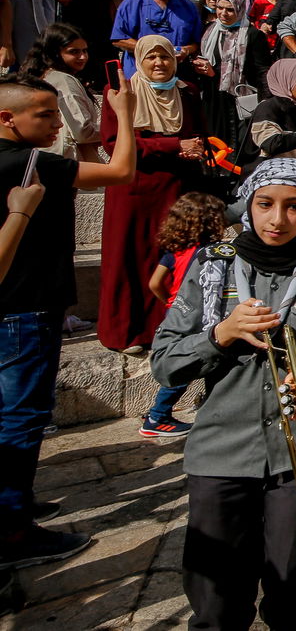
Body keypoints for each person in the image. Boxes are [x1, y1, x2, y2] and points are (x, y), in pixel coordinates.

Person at [150, 158, 296, 630]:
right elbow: (165, 362)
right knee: (214, 598)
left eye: (293, 207)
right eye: (265, 205)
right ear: (247, 206)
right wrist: (221, 334)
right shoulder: (213, 267)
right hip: (220, 452)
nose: (277, 219)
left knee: (291, 585)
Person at [0, 71, 136, 569]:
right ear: (6, 119)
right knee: (23, 416)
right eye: (46, 115)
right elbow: (120, 172)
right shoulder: (36, 165)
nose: (57, 124)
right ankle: (13, 529)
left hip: (9, 307)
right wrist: (122, 113)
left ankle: (13, 502)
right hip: (28, 308)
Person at [98, 35, 205, 355]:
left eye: (166, 58)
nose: (159, 63)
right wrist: (175, 146)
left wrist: (198, 147)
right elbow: (114, 143)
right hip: (134, 189)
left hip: (176, 188)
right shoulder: (120, 94)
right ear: (139, 61)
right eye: (151, 58)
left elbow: (196, 135)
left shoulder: (187, 93)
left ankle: (168, 329)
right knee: (129, 258)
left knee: (171, 258)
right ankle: (128, 333)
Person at [142, 191, 226, 437]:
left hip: (177, 312)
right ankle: (157, 416)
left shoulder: (174, 251)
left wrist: (171, 301)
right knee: (188, 365)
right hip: (198, 314)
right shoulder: (209, 252)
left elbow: (155, 283)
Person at [196, 0, 272, 152]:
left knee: (239, 142)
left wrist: (266, 100)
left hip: (240, 97)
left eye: (230, 9)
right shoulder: (209, 31)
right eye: (220, 8)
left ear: (239, 10)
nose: (223, 13)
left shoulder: (252, 35)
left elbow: (263, 70)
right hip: (213, 97)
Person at [20, 23, 100, 161]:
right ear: (55, 53)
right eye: (74, 52)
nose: (83, 57)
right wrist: (117, 129)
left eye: (85, 51)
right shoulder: (62, 80)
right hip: (69, 163)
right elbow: (82, 131)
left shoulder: (40, 77)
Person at [111, 0, 202, 78]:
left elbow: (197, 42)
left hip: (175, 75)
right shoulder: (132, 3)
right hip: (138, 75)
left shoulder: (187, 7)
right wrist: (153, 50)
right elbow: (118, 39)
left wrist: (186, 50)